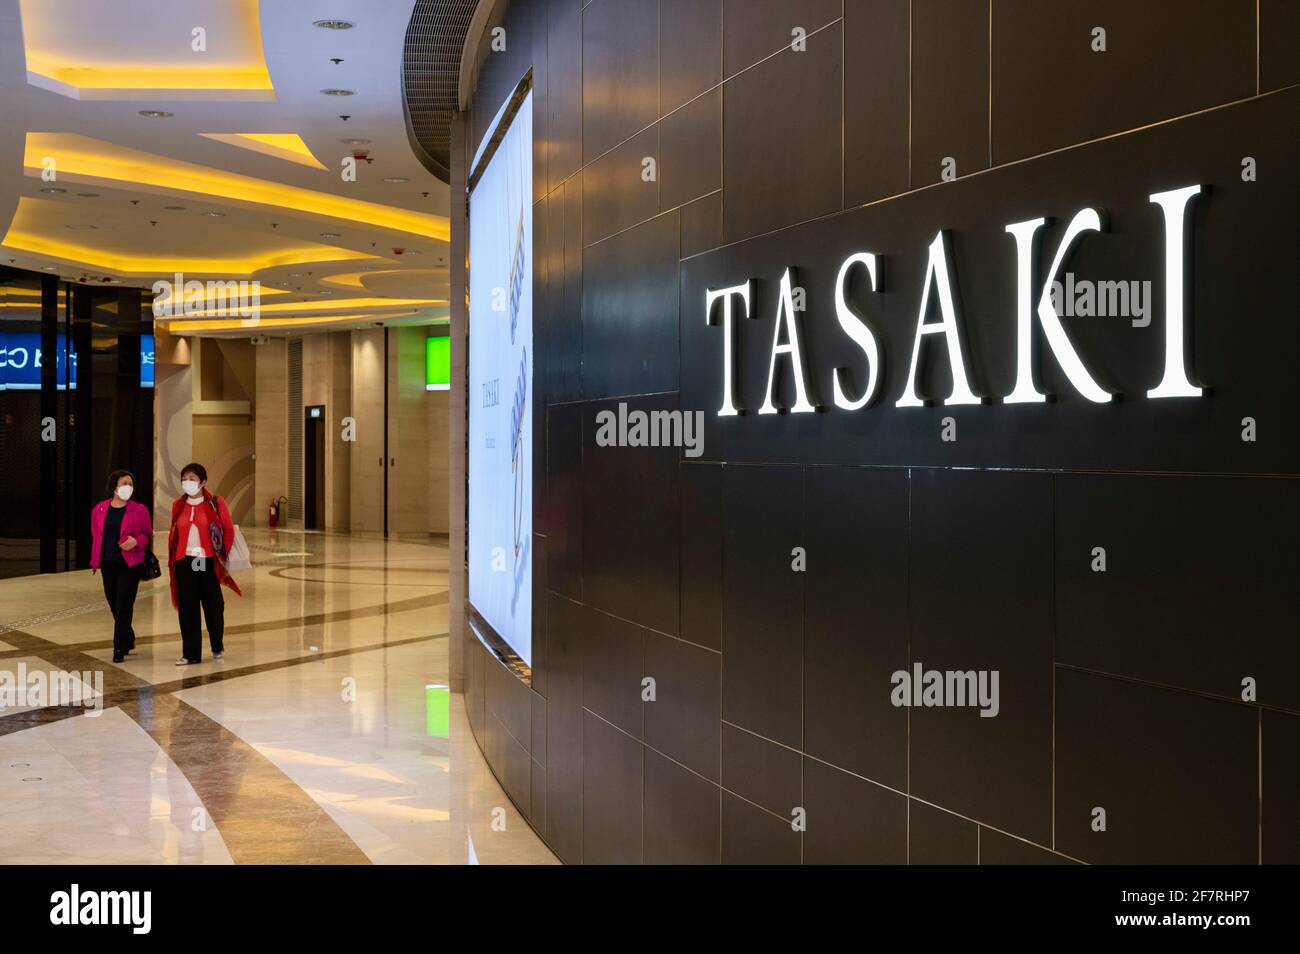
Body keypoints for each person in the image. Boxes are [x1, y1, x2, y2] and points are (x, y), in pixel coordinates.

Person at [167, 463, 241, 665]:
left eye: (192, 478)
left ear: (203, 482)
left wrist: (221, 558)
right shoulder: (178, 505)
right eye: (184, 479)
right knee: (187, 608)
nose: (187, 483)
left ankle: (217, 643)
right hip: (185, 561)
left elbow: (228, 531)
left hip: (206, 561)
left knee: (213, 605)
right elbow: (174, 535)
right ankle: (190, 653)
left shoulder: (216, 503)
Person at [90, 470, 153, 663]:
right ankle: (128, 637)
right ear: (114, 487)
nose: (129, 487)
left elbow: (147, 535)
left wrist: (136, 541)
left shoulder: (140, 510)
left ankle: (119, 647)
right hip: (108, 564)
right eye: (124, 483)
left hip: (130, 564)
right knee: (113, 604)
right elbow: (96, 535)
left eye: (131, 484)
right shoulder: (99, 510)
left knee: (124, 605)